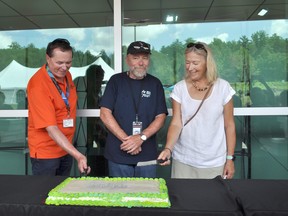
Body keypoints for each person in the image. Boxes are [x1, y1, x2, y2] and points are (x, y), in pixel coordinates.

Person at [158, 42, 236, 179]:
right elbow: (176, 123)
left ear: (207, 63)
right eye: (187, 63)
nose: (190, 67)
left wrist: (230, 159)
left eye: (195, 63)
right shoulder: (179, 88)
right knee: (182, 199)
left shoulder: (223, 88)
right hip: (183, 160)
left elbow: (229, 125)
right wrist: (168, 148)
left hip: (214, 162)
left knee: (212, 200)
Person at [100, 41, 168, 178]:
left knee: (146, 197)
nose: (141, 63)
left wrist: (141, 138)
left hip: (147, 156)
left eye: (145, 58)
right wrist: (129, 141)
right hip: (119, 154)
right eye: (136, 58)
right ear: (127, 59)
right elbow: (105, 114)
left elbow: (161, 117)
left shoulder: (155, 83)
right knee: (120, 198)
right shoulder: (115, 81)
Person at [27, 38, 91, 176]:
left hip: (66, 149)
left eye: (68, 62)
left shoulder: (66, 75)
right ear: (48, 58)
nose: (64, 67)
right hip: (46, 154)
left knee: (62, 192)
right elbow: (51, 128)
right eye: (59, 63)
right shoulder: (38, 85)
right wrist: (79, 155)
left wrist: (71, 151)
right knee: (45, 194)